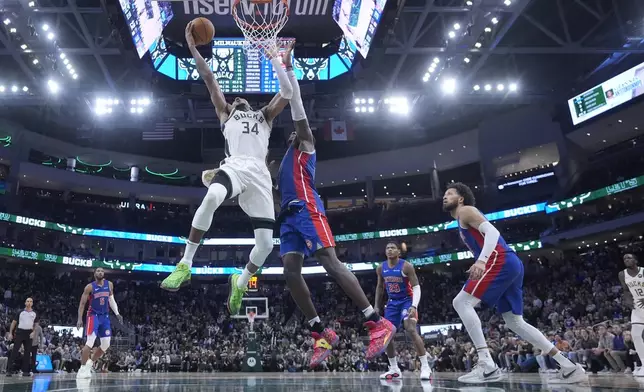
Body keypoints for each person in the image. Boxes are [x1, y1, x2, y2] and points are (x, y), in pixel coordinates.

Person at [271, 43, 395, 366]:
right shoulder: (284, 161)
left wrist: (287, 68)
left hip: (307, 207)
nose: (294, 132)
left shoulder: (306, 147)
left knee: (330, 262)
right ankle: (319, 333)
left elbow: (295, 106)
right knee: (289, 272)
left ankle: (375, 321)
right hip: (287, 218)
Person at [160, 21, 293, 318]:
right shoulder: (225, 113)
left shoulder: (265, 116)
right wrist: (193, 48)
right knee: (210, 197)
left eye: (240, 99)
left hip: (259, 174)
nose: (236, 100)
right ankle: (185, 264)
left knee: (265, 245)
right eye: (233, 100)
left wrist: (281, 61)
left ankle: (241, 281)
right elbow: (208, 77)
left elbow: (286, 91)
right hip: (234, 167)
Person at [443, 182, 586, 384]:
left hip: (499, 259)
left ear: (461, 198)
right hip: (509, 263)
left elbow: (493, 233)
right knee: (514, 322)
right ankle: (568, 367)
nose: (444, 196)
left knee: (461, 303)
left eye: (450, 193)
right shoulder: (461, 219)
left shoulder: (466, 211)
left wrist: (482, 260)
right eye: (444, 194)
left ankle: (487, 364)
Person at [375, 242, 430, 380]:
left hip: (407, 300)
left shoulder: (406, 266)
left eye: (393, 248)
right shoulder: (381, 268)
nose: (389, 250)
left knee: (410, 328)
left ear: (399, 251)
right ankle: (394, 368)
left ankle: (425, 366)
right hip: (392, 303)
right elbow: (380, 287)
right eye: (387, 248)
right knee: (387, 335)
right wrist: (376, 305)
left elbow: (416, 287)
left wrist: (414, 306)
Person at [76, 268, 123, 379]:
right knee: (90, 342)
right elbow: (82, 304)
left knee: (106, 344)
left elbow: (111, 300)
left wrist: (117, 313)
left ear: (104, 274)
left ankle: (89, 363)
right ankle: (82, 368)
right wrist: (79, 319)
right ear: (94, 274)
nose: (100, 272)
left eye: (102, 271)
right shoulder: (89, 287)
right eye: (98, 271)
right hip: (93, 316)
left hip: (105, 316)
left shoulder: (109, 284)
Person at [619, 253, 644, 377]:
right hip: (637, 308)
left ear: (635, 259)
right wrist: (628, 300)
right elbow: (625, 290)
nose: (626, 260)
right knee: (636, 335)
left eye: (629, 257)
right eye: (624, 259)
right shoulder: (622, 274)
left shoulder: (643, 271)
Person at [6, 297, 36, 377]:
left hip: (29, 333)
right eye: (27, 301)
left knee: (27, 353)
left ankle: (25, 371)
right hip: (20, 332)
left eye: (31, 301)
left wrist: (34, 332)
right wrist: (10, 333)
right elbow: (13, 323)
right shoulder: (20, 312)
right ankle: (9, 370)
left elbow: (36, 324)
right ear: (25, 303)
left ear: (32, 303)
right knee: (14, 351)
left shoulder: (34, 313)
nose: (29, 303)